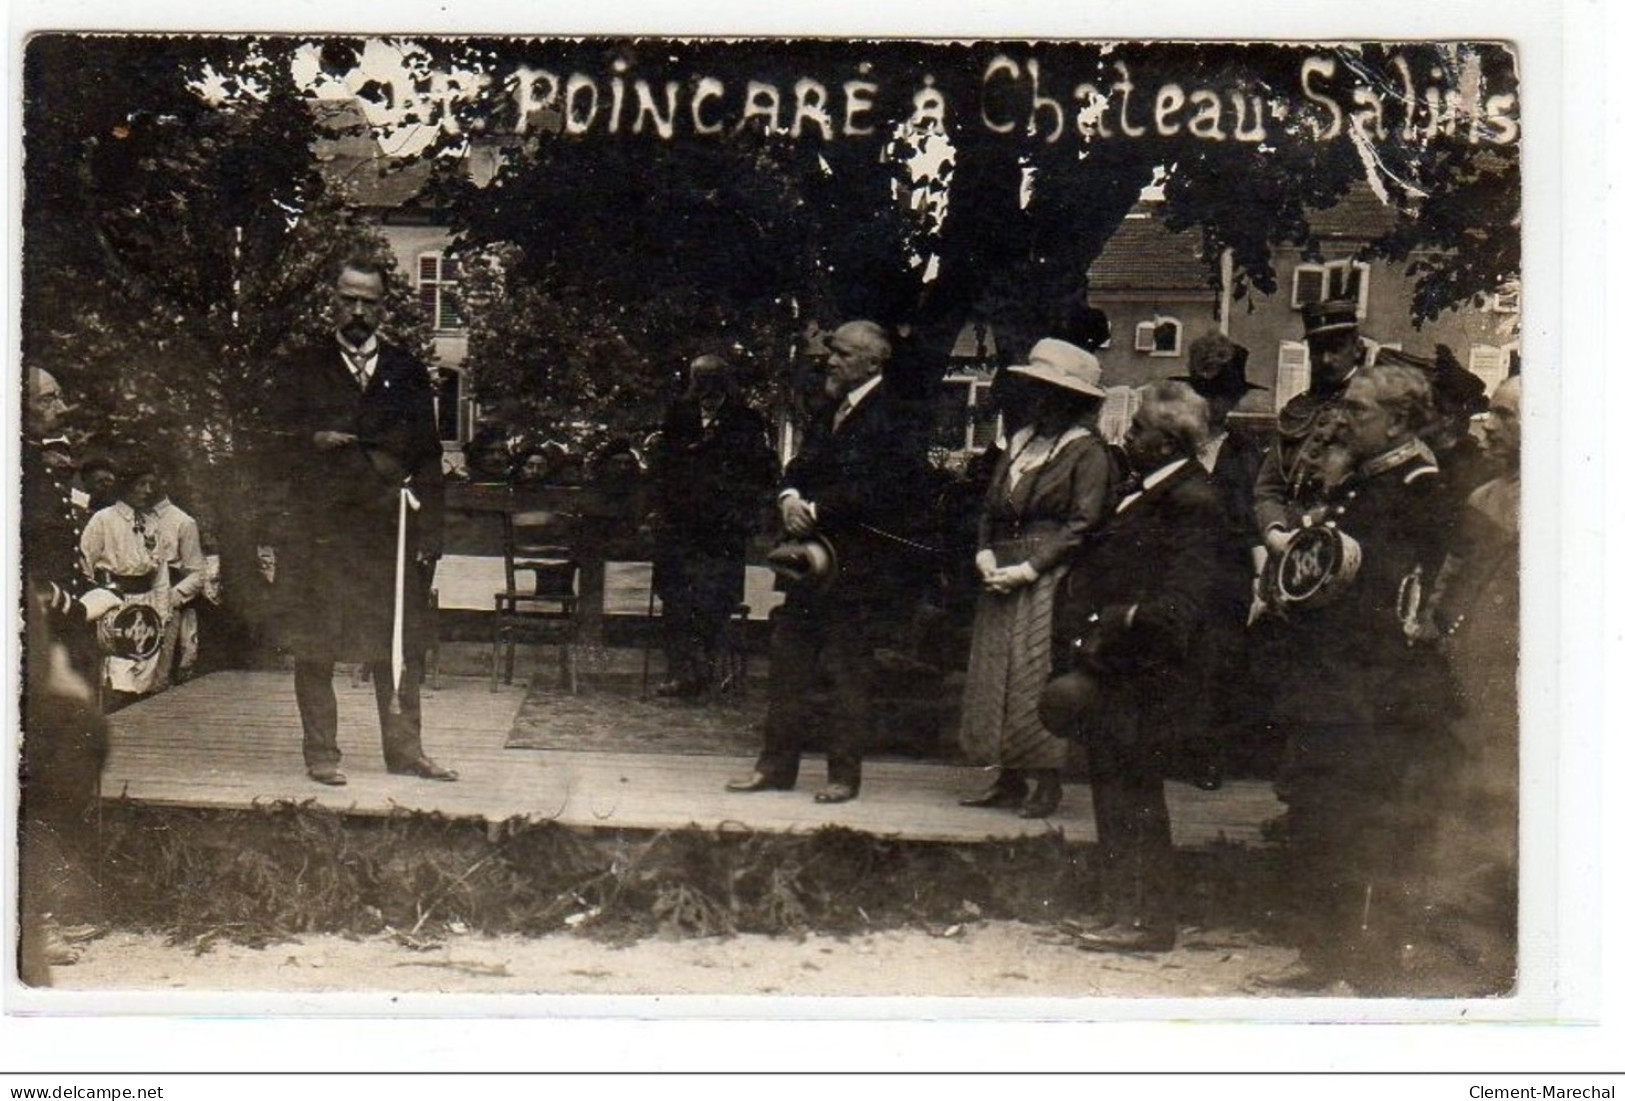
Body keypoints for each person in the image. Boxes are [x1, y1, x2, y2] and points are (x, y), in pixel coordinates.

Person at [1262, 362, 1455, 992]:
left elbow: (1396, 588)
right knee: (1318, 816)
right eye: (1343, 406)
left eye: (1359, 410)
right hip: (1331, 680)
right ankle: (1324, 954)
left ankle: (1370, 968)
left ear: (1398, 420)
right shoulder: (1363, 480)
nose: (1343, 419)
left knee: (1362, 825)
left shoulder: (1420, 486)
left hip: (1372, 688)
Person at [1047, 382, 1231, 953]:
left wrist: (1117, 619)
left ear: (1169, 440)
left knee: (1136, 795)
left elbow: (1182, 605)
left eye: (1140, 429)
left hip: (1145, 674)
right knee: (1114, 789)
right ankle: (1120, 908)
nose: (1128, 436)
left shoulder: (1191, 500)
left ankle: (1148, 921)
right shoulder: (1149, 489)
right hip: (1117, 670)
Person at [267, 256, 454, 786]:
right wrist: (311, 441)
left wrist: (431, 537)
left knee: (398, 646)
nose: (357, 311)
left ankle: (406, 750)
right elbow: (270, 447)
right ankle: (321, 753)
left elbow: (428, 459)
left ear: (383, 306)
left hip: (386, 534)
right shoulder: (301, 367)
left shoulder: (407, 371)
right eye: (348, 299)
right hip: (319, 533)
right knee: (316, 644)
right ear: (333, 299)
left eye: (368, 302)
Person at [727, 320, 930, 804]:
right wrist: (791, 498)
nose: (830, 361)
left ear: (872, 362)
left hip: (858, 571)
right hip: (808, 568)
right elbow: (798, 467)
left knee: (847, 673)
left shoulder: (897, 417)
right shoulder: (829, 409)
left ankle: (843, 776)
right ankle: (775, 768)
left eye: (840, 353)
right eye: (831, 353)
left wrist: (817, 511)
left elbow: (889, 489)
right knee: (787, 666)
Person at [956, 339, 1116, 819]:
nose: (1037, 398)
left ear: (1072, 399)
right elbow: (989, 509)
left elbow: (1084, 525)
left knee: (1034, 673)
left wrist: (1030, 568)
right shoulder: (1022, 441)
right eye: (1035, 388)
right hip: (1000, 570)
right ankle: (1004, 776)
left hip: (1048, 574)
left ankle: (1046, 783)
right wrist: (985, 552)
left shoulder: (1087, 452)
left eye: (1048, 390)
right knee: (994, 675)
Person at [1408, 373, 1520, 993]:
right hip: (1472, 677)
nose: (1488, 427)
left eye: (1505, 417)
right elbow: (1451, 589)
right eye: (1489, 416)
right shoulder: (1484, 500)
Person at [19, 367, 116, 984]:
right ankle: (29, 927)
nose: (60, 405)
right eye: (47, 397)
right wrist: (76, 607)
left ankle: (43, 915)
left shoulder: (47, 463)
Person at [1170, 332, 1269, 788]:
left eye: (1225, 397)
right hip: (1175, 567)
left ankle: (1205, 755)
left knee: (1216, 660)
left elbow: (1249, 512)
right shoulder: (1172, 444)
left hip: (1226, 570)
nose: (1216, 407)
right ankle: (1163, 749)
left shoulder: (1244, 451)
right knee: (1171, 655)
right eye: (1208, 395)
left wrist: (1258, 569)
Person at [648, 354, 777, 698]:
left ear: (725, 381)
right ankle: (681, 673)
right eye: (698, 379)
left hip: (722, 530)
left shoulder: (747, 421)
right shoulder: (678, 414)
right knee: (675, 599)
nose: (704, 387)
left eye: (712, 379)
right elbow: (663, 465)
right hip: (679, 527)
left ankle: (708, 670)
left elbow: (760, 472)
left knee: (715, 599)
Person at [1255, 298, 1366, 554]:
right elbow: (1268, 487)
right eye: (1318, 350)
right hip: (1288, 549)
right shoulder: (1297, 409)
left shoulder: (1373, 407)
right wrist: (1274, 532)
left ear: (1357, 348)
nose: (1326, 359)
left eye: (1336, 348)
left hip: (1345, 549)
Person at [79, 457, 175, 705]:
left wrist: (162, 613)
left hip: (147, 607)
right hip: (115, 604)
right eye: (141, 484)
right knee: (118, 675)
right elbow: (84, 563)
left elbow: (161, 574)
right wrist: (97, 602)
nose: (147, 490)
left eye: (150, 485)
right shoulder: (103, 519)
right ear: (126, 485)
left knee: (145, 675)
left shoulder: (152, 523)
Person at [150, 484, 208, 685]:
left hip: (168, 600)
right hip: (133, 597)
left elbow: (198, 573)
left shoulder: (182, 521)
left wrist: (173, 596)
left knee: (160, 673)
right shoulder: (130, 515)